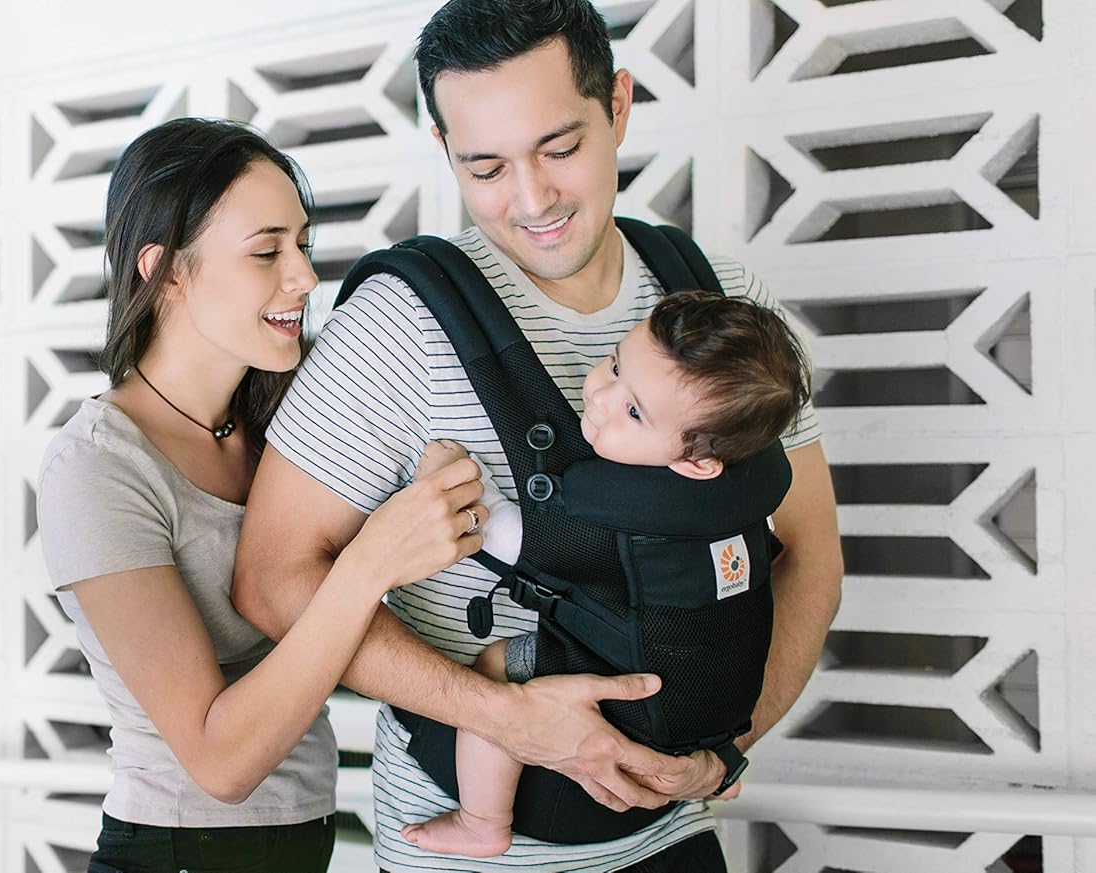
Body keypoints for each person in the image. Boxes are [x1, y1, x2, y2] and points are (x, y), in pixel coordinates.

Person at [230, 0, 845, 869]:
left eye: (559, 149)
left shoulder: (723, 305)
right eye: (485, 167)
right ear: (445, 148)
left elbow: (811, 551)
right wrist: (507, 717)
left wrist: (719, 746)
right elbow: (272, 578)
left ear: (617, 105)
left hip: (674, 837)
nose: (532, 199)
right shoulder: (398, 324)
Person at [36, 117, 488, 873]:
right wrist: (370, 563)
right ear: (165, 271)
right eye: (266, 251)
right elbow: (220, 761)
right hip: (177, 850)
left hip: (303, 838)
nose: (305, 277)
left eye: (303, 244)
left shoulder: (287, 422)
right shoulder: (97, 467)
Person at [400, 290, 812, 858]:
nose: (600, 397)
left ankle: (482, 820)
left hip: (633, 702)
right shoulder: (739, 494)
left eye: (634, 412)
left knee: (494, 668)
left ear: (696, 462)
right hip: (711, 699)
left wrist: (456, 479)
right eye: (615, 365)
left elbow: (511, 541)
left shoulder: (622, 515)